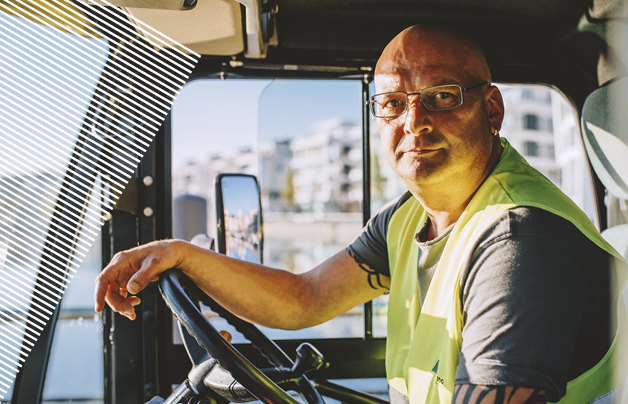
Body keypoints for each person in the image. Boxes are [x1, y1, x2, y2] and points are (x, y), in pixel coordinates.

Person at [94, 25, 628, 404]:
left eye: (441, 96)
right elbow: (305, 297)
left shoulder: (521, 243)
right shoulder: (408, 219)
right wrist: (181, 256)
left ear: (492, 110)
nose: (414, 122)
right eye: (393, 103)